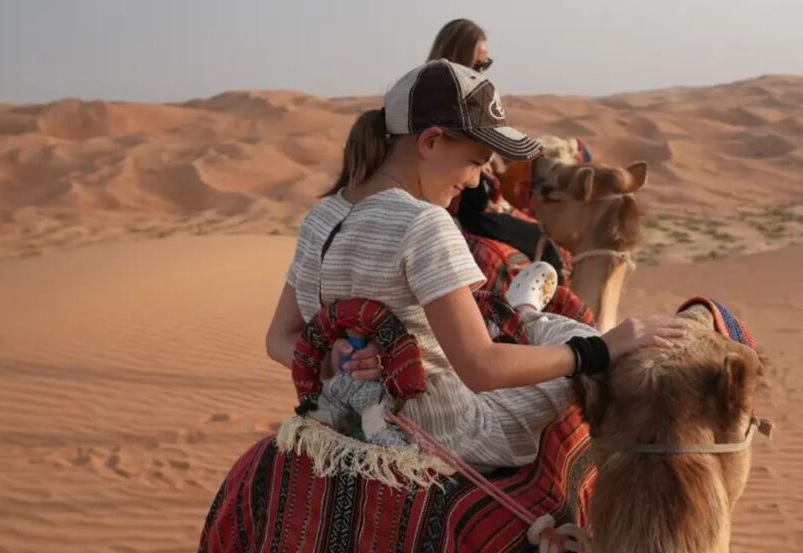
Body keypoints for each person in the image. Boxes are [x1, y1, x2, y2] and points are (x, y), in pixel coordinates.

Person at [265, 59, 685, 467]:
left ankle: (520, 312)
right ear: (430, 142)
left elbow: (279, 338)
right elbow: (481, 368)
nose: (473, 181)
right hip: (448, 431)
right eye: (475, 161)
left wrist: (334, 361)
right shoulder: (424, 223)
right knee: (571, 336)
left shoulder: (323, 216)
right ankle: (523, 311)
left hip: (345, 417)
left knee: (538, 334)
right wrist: (599, 349)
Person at [426, 18, 569, 279]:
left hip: (479, 202)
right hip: (461, 210)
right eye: (479, 64)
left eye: (486, 65)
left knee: (550, 236)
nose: (482, 71)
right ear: (457, 59)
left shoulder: (473, 100)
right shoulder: (436, 103)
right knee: (545, 247)